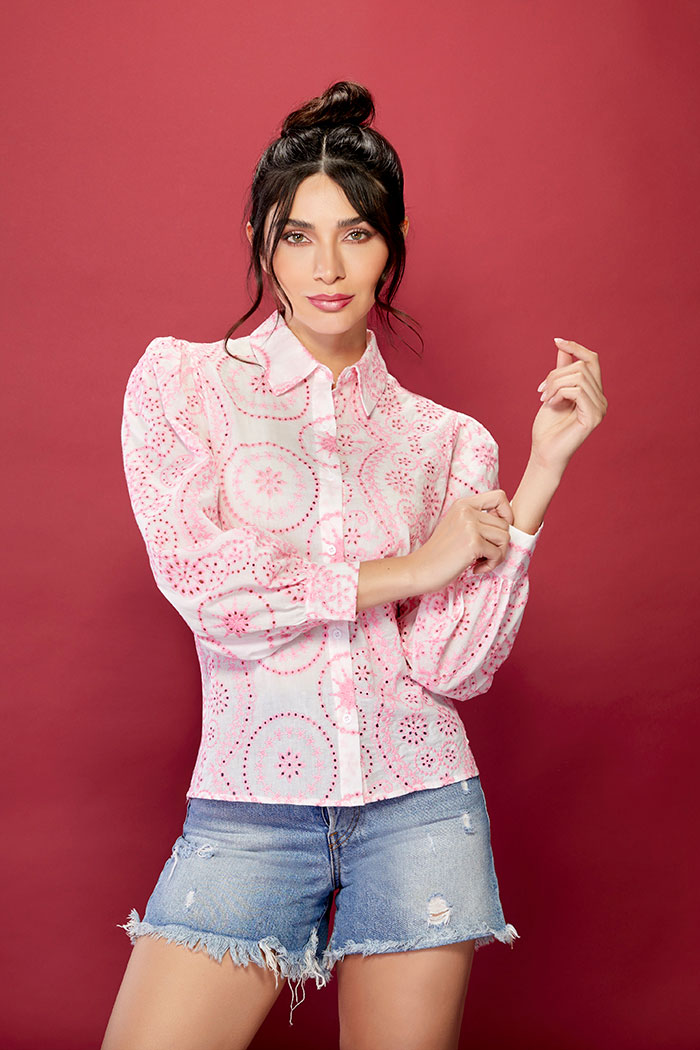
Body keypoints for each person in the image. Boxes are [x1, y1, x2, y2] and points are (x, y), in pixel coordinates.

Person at [101, 80, 607, 1050]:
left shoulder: (446, 441)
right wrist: (413, 567)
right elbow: (212, 591)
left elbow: (451, 666)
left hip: (422, 808)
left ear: (393, 242)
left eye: (357, 235)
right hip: (248, 811)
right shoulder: (182, 385)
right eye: (298, 236)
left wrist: (541, 473)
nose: (327, 268)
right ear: (260, 241)